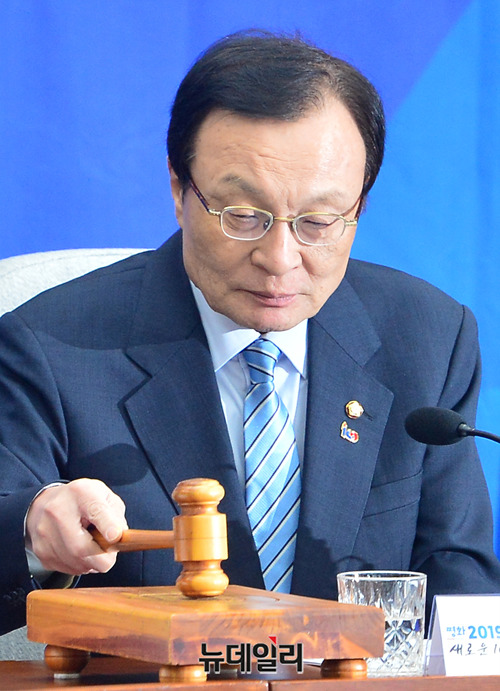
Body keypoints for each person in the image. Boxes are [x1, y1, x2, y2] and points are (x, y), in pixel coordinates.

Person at [1, 30, 499, 635]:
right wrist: (31, 531)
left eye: (319, 221)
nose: (280, 258)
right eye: (243, 216)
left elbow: (460, 585)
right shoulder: (50, 347)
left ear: (359, 207)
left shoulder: (427, 337)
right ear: (179, 188)